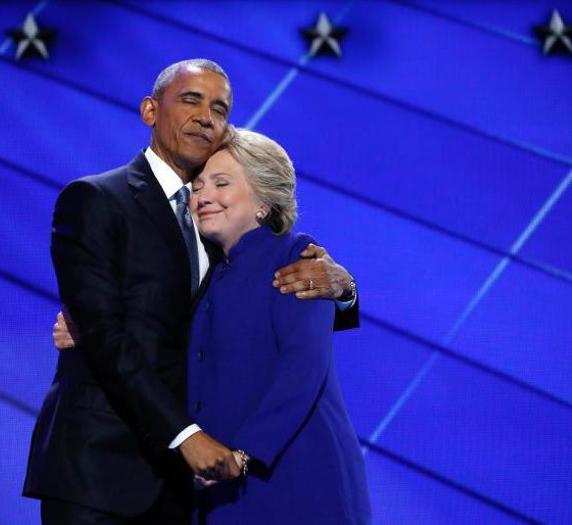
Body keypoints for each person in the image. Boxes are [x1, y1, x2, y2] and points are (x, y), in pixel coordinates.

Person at [24, 59, 359, 524]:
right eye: (191, 99)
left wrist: (344, 287)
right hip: (101, 471)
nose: (206, 115)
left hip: (192, 486)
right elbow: (104, 331)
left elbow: (271, 310)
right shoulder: (96, 200)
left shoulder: (220, 230)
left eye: (219, 108)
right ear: (149, 111)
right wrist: (185, 435)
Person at [187, 128, 371, 523]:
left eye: (221, 183)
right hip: (225, 489)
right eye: (198, 186)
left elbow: (302, 368)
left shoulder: (297, 257)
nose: (203, 196)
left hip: (296, 481)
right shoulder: (206, 273)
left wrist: (244, 453)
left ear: (264, 203)